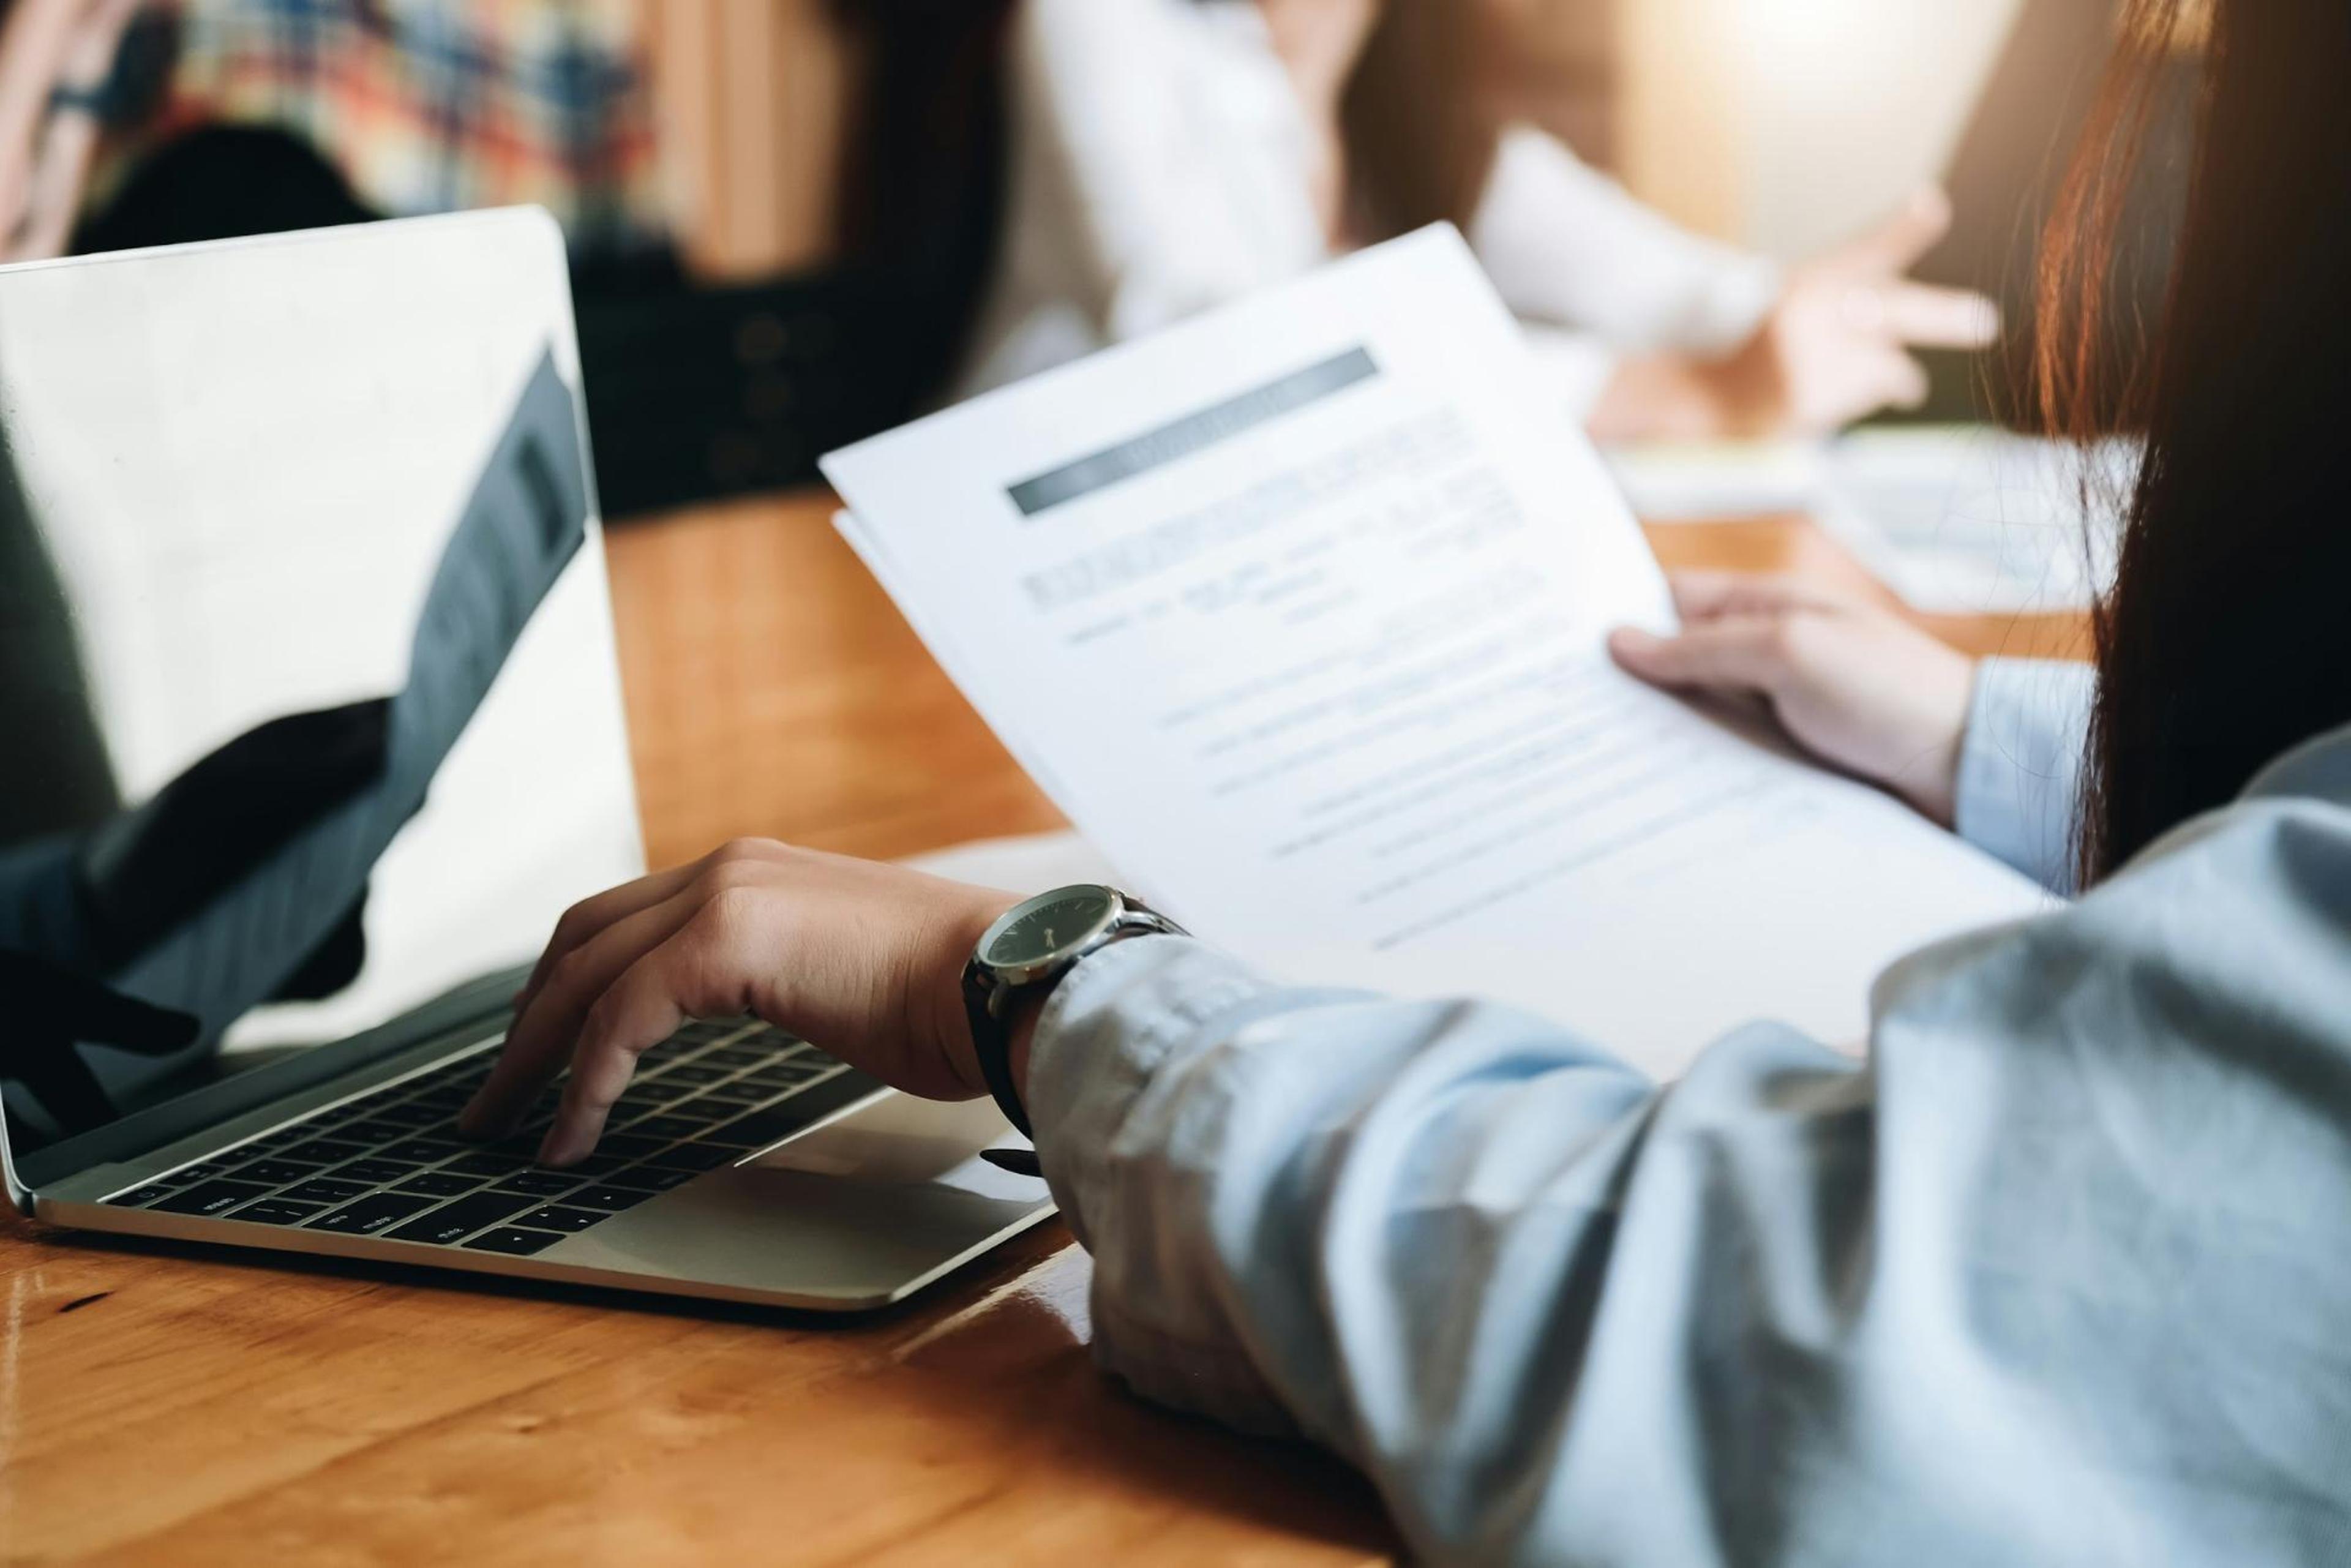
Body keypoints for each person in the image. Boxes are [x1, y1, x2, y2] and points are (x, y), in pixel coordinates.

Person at [463, 0, 2351, 1559]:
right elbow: (1193, 311)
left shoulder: (1430, 92)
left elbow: (1740, 1328)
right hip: (1007, 598)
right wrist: (1983, 744)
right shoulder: (1113, 32)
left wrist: (1041, 971)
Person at [954, 0, 2003, 441]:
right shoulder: (1096, 23)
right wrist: (1680, 392)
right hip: (1012, 544)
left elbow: (1669, 283)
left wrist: (1794, 314)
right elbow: (1210, 343)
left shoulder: (1413, 122)